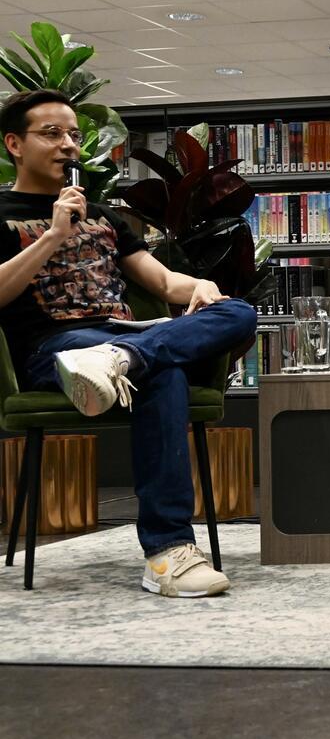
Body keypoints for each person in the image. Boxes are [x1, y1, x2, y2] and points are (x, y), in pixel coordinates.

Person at [0, 89, 257, 597]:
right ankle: (168, 554)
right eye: (51, 134)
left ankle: (123, 359)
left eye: (74, 135)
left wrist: (199, 288)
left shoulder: (106, 217)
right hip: (58, 348)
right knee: (164, 371)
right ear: (14, 143)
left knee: (238, 311)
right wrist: (51, 235)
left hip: (123, 340)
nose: (68, 145)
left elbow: (163, 283)